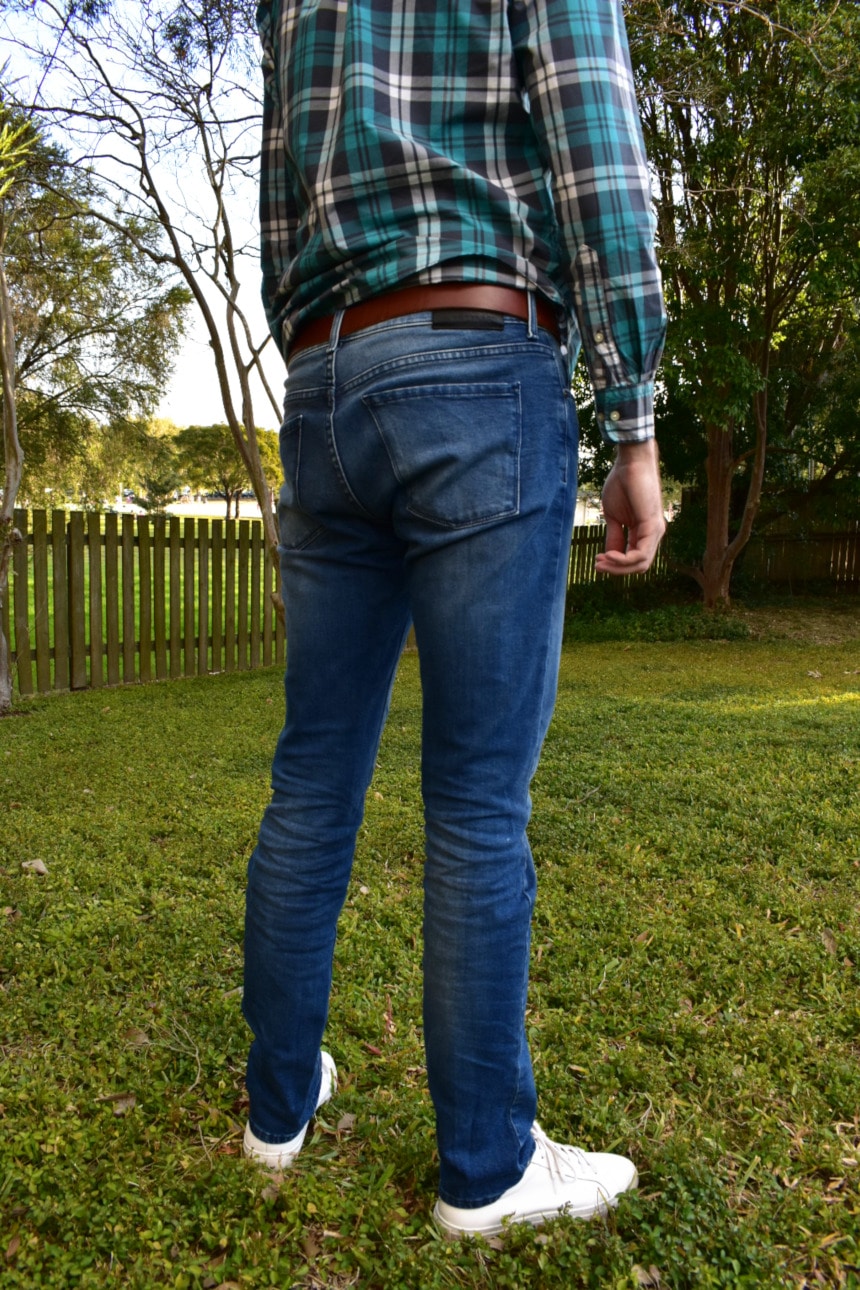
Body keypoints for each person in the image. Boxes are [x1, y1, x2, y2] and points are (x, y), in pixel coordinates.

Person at [244, 0, 666, 1238]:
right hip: (480, 361)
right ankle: (483, 1169)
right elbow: (596, 155)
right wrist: (631, 419)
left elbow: (281, 192)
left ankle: (277, 1111)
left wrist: (322, 357)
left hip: (324, 380)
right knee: (478, 798)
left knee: (311, 778)